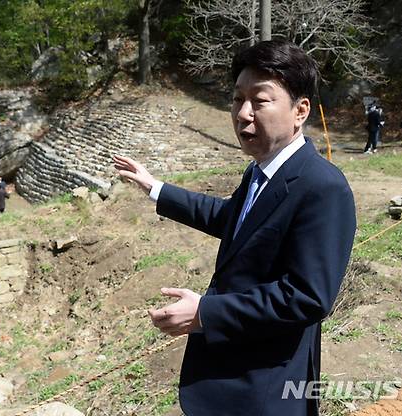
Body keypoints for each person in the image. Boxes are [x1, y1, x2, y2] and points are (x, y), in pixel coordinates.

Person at [114, 40, 356, 416]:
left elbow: (308, 297)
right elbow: (233, 219)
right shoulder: (261, 172)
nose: (243, 113)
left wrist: (206, 313)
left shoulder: (322, 186)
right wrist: (155, 188)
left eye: (260, 101)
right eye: (237, 99)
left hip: (267, 388)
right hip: (230, 379)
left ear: (300, 110)